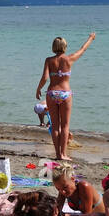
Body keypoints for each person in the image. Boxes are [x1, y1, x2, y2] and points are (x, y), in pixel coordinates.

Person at [36, 33, 95, 162]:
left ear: (53, 47)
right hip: (65, 93)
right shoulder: (69, 59)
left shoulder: (49, 60)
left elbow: (45, 78)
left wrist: (38, 89)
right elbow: (82, 49)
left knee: (55, 126)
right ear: (65, 47)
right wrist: (90, 38)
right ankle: (63, 154)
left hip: (51, 93)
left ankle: (57, 154)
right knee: (65, 125)